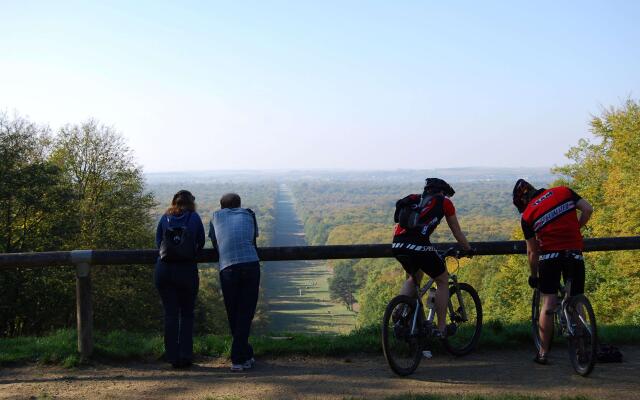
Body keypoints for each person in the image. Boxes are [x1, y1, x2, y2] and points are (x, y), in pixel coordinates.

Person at [512, 179, 593, 365]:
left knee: (548, 302)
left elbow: (532, 251)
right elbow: (588, 209)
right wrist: (576, 229)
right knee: (577, 298)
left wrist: (534, 276)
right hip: (574, 252)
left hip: (550, 257)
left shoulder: (527, 216)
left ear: (523, 201)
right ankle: (582, 349)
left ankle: (543, 353)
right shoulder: (564, 191)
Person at [392, 178, 473, 338]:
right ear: (442, 192)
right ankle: (441, 329)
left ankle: (399, 311)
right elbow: (457, 232)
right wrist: (468, 249)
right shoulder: (445, 202)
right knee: (442, 280)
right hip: (418, 245)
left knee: (414, 277)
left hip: (397, 244)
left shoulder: (414, 199)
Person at [209, 193, 260, 372]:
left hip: (228, 267)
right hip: (250, 264)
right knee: (246, 312)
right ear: (239, 205)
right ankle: (242, 355)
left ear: (221, 206)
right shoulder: (249, 214)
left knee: (233, 311)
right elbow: (253, 240)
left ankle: (240, 357)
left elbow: (216, 242)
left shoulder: (215, 217)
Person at [155, 189, 205, 368]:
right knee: (187, 314)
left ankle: (171, 356)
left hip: (164, 271)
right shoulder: (194, 218)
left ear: (174, 202)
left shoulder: (164, 218)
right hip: (186, 270)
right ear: (191, 202)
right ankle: (185, 355)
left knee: (170, 314)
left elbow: (158, 242)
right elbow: (201, 242)